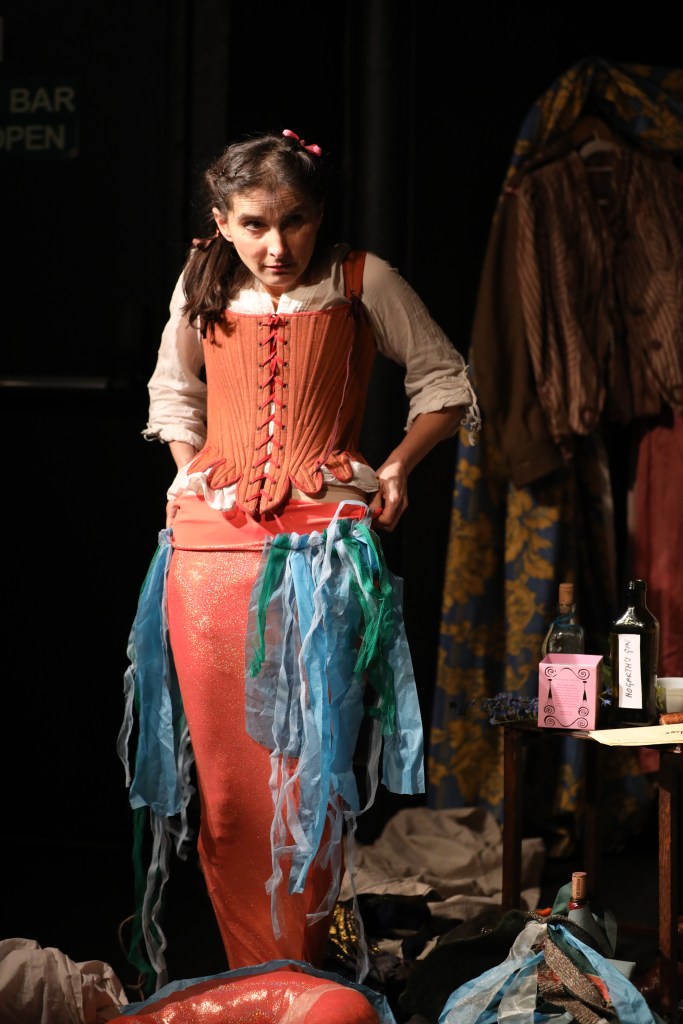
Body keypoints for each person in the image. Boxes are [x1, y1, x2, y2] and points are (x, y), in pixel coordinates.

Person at [119, 128, 479, 1012]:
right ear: (220, 220)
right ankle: (260, 985)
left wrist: (395, 469)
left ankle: (304, 981)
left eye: (295, 222)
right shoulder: (202, 281)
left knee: (304, 781)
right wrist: (187, 471)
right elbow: (174, 390)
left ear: (319, 217)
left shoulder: (361, 281)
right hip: (207, 556)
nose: (276, 245)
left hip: (323, 552)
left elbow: (443, 381)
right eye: (254, 224)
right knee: (228, 796)